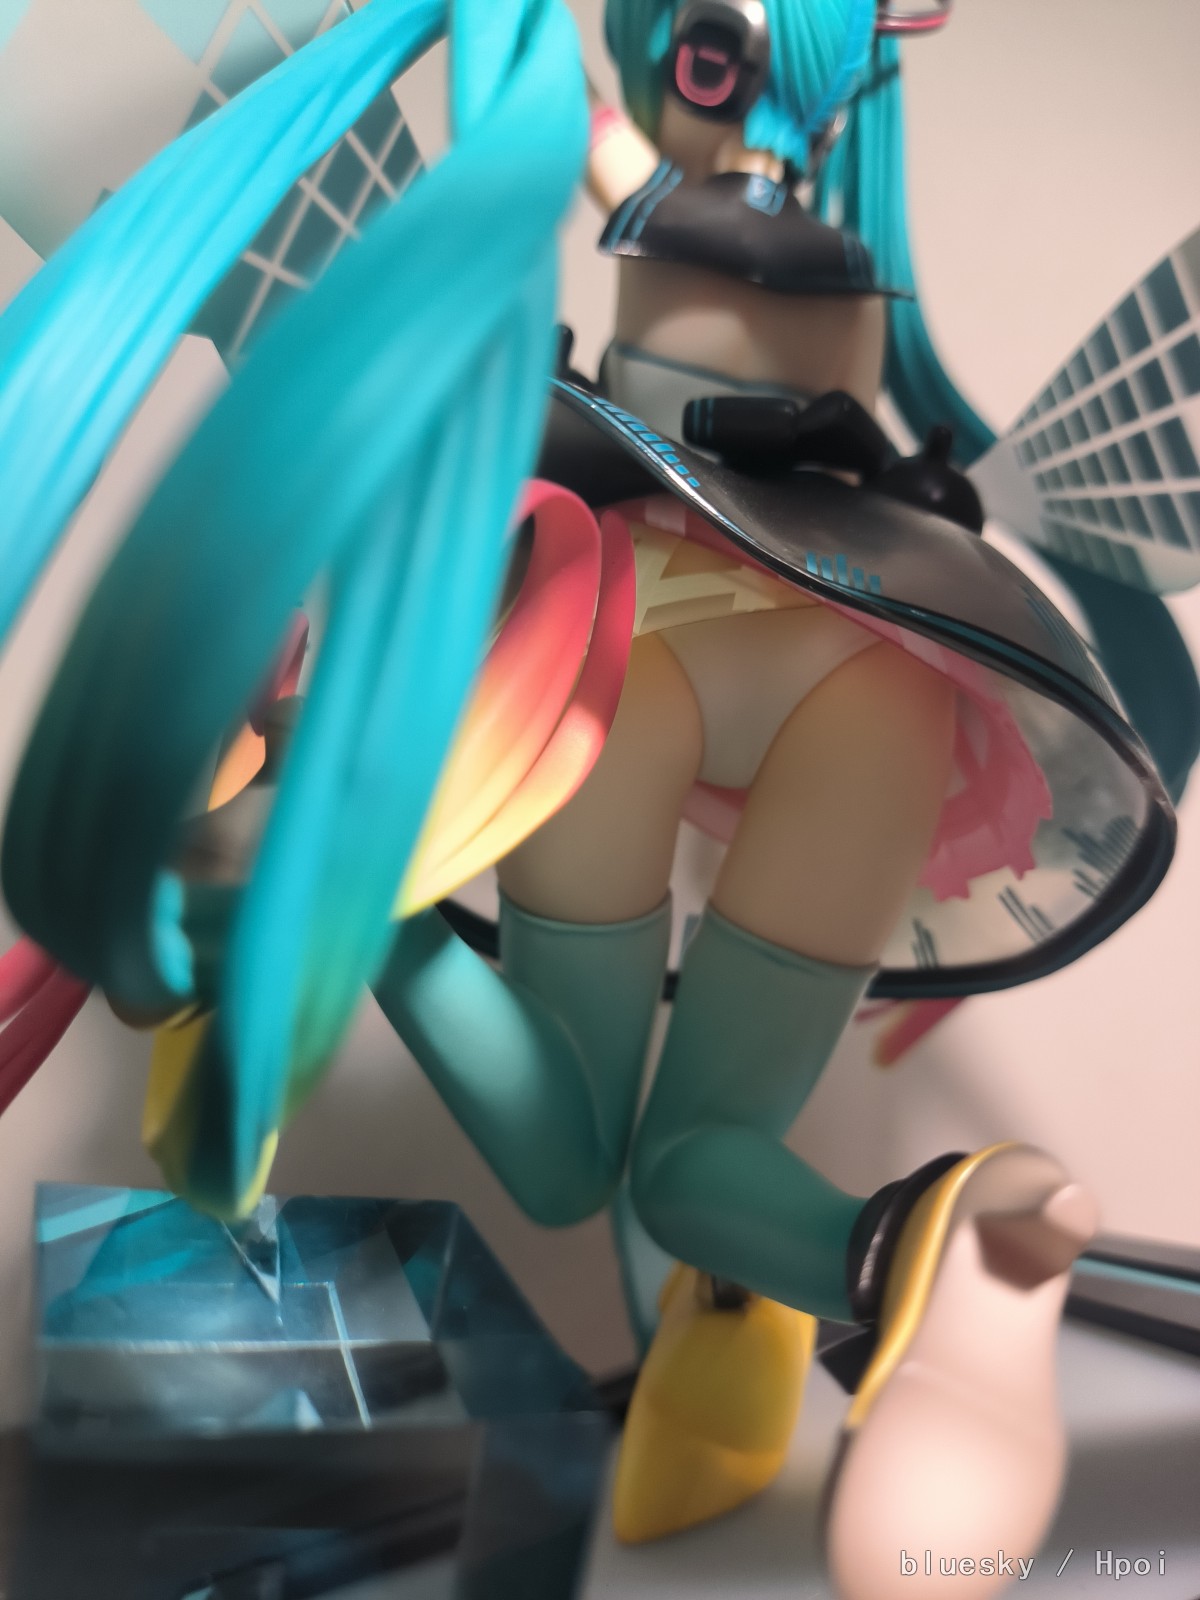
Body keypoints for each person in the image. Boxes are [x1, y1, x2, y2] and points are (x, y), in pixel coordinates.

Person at [0, 3, 1191, 1596]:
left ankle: (359, 887)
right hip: (884, 668)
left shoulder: (639, 170)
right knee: (696, 1159)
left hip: (641, 628)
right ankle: (937, 1237)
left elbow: (579, 133)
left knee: (573, 1152)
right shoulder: (838, 250)